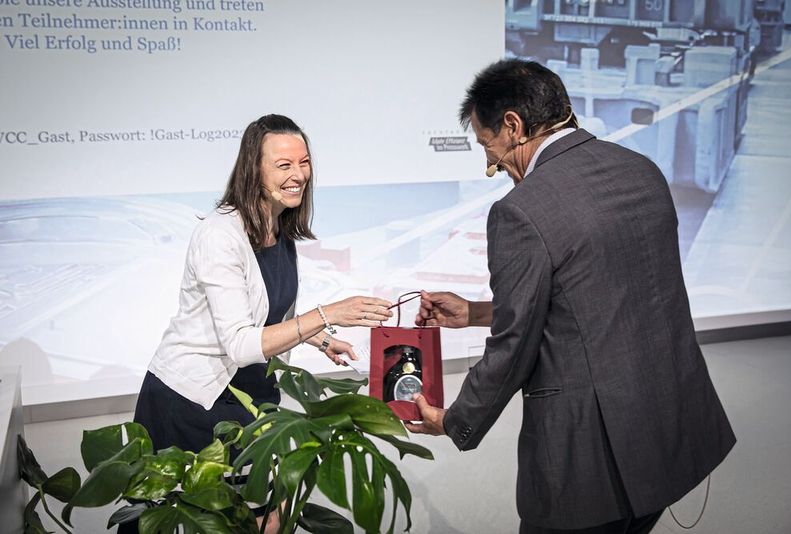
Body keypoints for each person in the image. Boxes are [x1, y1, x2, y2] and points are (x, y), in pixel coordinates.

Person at [406, 59, 736, 534]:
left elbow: (514, 346)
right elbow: (595, 295)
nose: (489, 165)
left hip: (592, 460)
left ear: (514, 126)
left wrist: (454, 420)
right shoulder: (641, 170)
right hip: (667, 430)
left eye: (488, 146)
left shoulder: (520, 211)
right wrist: (476, 312)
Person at [124, 114, 392, 533]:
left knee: (259, 520)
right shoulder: (219, 234)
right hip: (192, 403)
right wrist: (328, 313)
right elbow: (242, 344)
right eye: (284, 165)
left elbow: (272, 314)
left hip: (247, 398)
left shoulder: (279, 226)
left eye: (303, 163)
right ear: (254, 169)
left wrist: (321, 338)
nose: (298, 175)